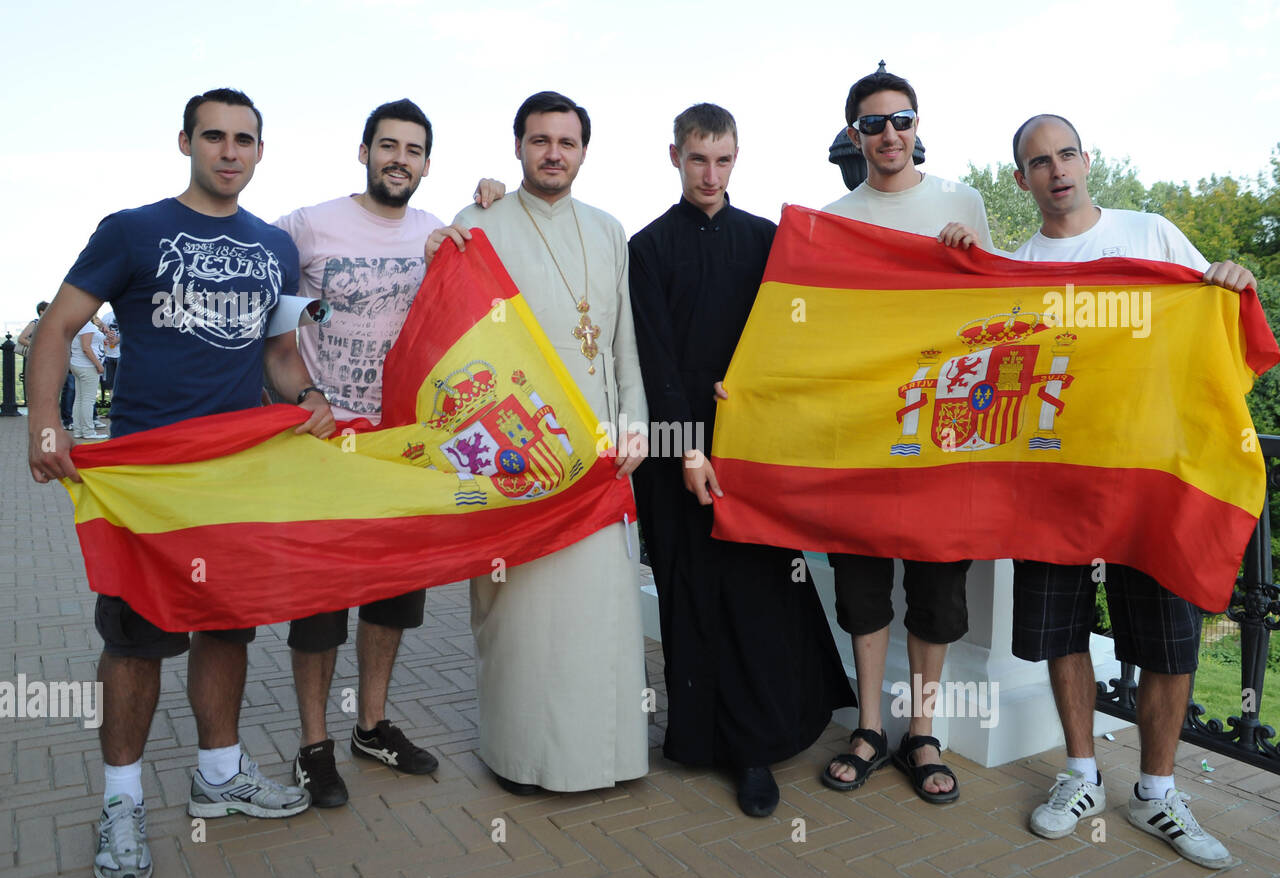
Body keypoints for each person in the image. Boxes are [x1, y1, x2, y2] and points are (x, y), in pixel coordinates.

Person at [26, 87, 334, 878]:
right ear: (186, 142)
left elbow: (274, 355)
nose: (229, 151)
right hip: (146, 479)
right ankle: (122, 801)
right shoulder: (131, 230)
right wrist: (45, 422)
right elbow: (57, 326)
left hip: (234, 478)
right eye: (214, 137)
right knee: (134, 640)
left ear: (261, 151)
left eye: (244, 139)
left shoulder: (275, 246)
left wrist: (306, 398)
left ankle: (221, 771)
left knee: (226, 626)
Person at [1008, 114, 1255, 869]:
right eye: (1039, 162)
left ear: (1087, 159)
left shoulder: (1151, 234)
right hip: (1054, 482)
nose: (1057, 170)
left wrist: (1234, 285)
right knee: (1060, 632)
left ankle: (1156, 791)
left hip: (1153, 478)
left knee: (1170, 643)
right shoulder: (1015, 266)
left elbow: (1216, 323)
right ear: (1022, 180)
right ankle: (1081, 775)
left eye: (1066, 154)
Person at [275, 98, 504, 807]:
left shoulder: (437, 230)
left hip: (402, 448)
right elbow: (273, 329)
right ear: (364, 151)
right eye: (387, 145)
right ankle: (314, 745)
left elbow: (478, 282)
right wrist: (303, 395)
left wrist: (492, 204)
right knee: (318, 603)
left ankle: (370, 725)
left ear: (427, 163)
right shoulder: (305, 227)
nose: (398, 158)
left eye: (412, 149)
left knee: (393, 597)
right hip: (322, 447)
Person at [629, 103, 855, 817]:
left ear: (737, 158)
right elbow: (653, 359)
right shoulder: (647, 246)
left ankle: (755, 748)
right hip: (676, 456)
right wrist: (689, 446)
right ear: (675, 157)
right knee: (690, 597)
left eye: (723, 160)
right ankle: (698, 739)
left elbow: (803, 333)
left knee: (759, 599)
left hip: (755, 454)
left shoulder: (767, 240)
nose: (710, 173)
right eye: (698, 159)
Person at [425, 91, 650, 794]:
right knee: (519, 619)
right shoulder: (479, 221)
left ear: (585, 150)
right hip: (516, 460)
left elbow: (623, 343)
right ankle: (521, 756)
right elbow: (451, 344)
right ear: (517, 145)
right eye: (540, 139)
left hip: (599, 459)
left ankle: (603, 758)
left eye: (567, 141)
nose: (554, 152)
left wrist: (635, 419)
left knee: (598, 614)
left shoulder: (610, 230)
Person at [816, 68, 992, 803]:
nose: (889, 134)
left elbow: (999, 308)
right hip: (859, 432)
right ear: (855, 134)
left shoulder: (962, 203)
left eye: (902, 119)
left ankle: (922, 730)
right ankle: (869, 726)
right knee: (860, 585)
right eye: (874, 123)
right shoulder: (831, 217)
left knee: (938, 587)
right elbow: (814, 328)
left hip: (945, 432)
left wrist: (969, 255)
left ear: (918, 125)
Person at [68, 315, 106, 439]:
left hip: (77, 364)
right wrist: (98, 365)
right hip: (87, 367)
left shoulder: (77, 324)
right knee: (88, 400)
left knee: (79, 399)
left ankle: (78, 430)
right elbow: (86, 348)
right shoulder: (87, 326)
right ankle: (88, 431)